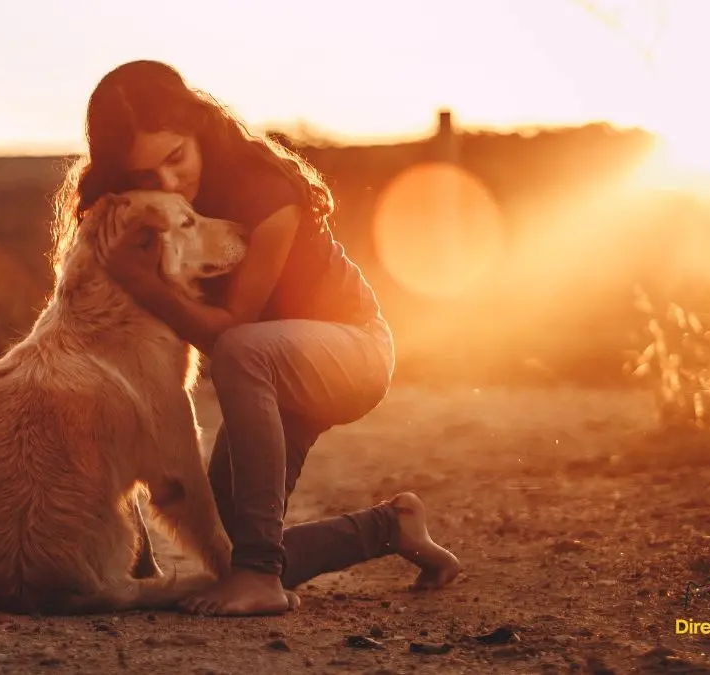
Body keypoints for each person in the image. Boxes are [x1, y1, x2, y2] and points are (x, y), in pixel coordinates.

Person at [50, 60, 462, 616]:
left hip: (351, 350)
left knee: (244, 352)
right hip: (272, 368)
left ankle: (261, 580)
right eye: (148, 175)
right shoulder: (149, 207)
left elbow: (231, 333)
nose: (170, 183)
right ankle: (390, 528)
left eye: (176, 157)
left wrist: (140, 281)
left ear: (198, 126)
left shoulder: (265, 191)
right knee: (227, 544)